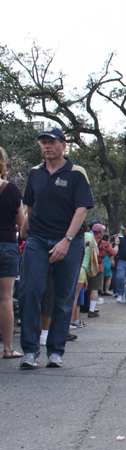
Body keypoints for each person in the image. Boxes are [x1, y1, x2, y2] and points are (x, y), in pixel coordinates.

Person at [18, 127, 94, 369]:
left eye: (51, 142)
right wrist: (23, 233)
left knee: (63, 297)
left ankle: (55, 351)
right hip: (37, 239)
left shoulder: (76, 173)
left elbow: (81, 210)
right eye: (43, 142)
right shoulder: (34, 173)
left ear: (63, 145)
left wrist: (66, 240)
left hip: (69, 241)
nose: (46, 146)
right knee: (29, 291)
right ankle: (30, 351)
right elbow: (29, 207)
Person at [0, 147, 25, 359]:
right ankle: (8, 348)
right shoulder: (11, 189)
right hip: (6, 245)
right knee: (5, 298)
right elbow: (20, 221)